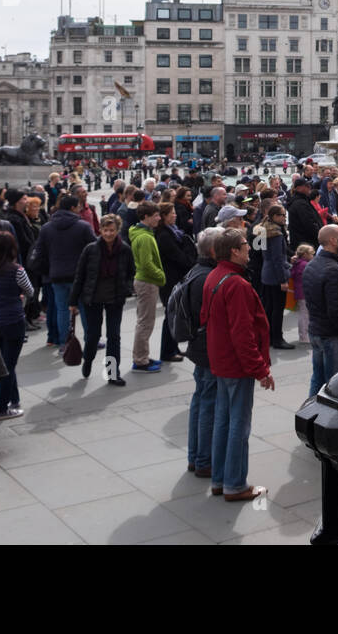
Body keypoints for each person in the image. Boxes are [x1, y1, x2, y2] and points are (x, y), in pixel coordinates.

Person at [202, 227, 273, 502]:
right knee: (238, 425)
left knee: (223, 420)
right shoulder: (237, 284)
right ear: (233, 250)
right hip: (236, 364)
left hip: (221, 360)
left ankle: (221, 480)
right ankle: (235, 484)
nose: (249, 248)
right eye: (245, 244)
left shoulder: (215, 276)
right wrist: (260, 369)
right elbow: (242, 333)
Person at [69, 214, 135, 387]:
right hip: (92, 298)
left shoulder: (125, 249)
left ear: (117, 230)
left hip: (115, 298)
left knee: (114, 336)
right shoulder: (90, 249)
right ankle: (88, 359)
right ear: (100, 230)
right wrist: (73, 301)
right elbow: (80, 276)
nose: (108, 234)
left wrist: (127, 288)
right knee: (93, 335)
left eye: (111, 230)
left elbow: (131, 272)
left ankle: (113, 373)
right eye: (105, 230)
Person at [30, 194, 96, 355]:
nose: (80, 209)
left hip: (56, 274)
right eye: (78, 206)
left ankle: (63, 343)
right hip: (78, 276)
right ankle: (90, 340)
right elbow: (94, 249)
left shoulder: (47, 227)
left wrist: (49, 269)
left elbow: (40, 252)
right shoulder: (82, 226)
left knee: (62, 310)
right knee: (84, 309)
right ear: (73, 208)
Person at [0, 232, 34, 419]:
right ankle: (2, 409)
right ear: (12, 249)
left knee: (4, 362)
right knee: (8, 365)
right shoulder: (16, 270)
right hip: (13, 320)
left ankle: (15, 399)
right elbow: (30, 290)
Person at [182, 227, 220, 476]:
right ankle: (204, 460)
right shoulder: (209, 277)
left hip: (198, 346)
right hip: (208, 348)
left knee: (200, 401)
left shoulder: (196, 271)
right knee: (208, 403)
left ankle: (196, 457)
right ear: (215, 251)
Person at [302, 225, 338, 397]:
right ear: (332, 240)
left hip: (316, 332)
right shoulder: (333, 269)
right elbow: (335, 310)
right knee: (334, 386)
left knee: (317, 380)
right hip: (331, 336)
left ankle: (309, 417)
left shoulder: (311, 265)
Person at [128, 202, 166, 372]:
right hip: (147, 282)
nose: (159, 218)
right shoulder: (144, 237)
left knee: (144, 321)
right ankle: (141, 360)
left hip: (145, 281)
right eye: (155, 215)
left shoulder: (143, 233)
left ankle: (142, 355)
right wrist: (161, 276)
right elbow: (146, 264)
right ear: (146, 217)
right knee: (145, 322)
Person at [154, 202, 194, 363]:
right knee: (170, 315)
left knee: (174, 315)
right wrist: (189, 258)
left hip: (174, 278)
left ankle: (173, 347)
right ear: (164, 216)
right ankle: (167, 351)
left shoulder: (172, 232)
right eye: (172, 213)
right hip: (170, 280)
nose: (175, 215)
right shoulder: (164, 235)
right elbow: (178, 257)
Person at [255, 204, 293, 350]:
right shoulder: (276, 233)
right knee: (277, 308)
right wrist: (283, 279)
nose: (284, 218)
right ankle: (277, 338)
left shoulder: (262, 230)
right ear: (274, 217)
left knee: (270, 307)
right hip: (276, 275)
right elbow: (277, 258)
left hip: (266, 272)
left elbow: (258, 250)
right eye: (282, 215)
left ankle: (270, 337)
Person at [288, 242, 314, 346]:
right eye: (311, 254)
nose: (313, 256)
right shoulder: (305, 265)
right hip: (304, 292)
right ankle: (304, 335)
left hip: (299, 292)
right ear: (305, 254)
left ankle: (303, 335)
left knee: (303, 313)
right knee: (305, 314)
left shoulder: (297, 263)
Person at [287, 179, 323, 249]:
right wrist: (320, 237)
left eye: (309, 185)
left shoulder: (304, 201)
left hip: (305, 242)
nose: (309, 187)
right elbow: (309, 224)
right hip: (305, 244)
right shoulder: (300, 204)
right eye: (306, 185)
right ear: (298, 188)